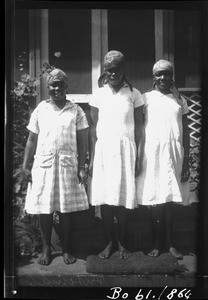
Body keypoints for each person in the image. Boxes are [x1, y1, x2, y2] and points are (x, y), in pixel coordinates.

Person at [22, 68, 89, 265]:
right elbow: (31, 140)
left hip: (68, 166)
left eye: (60, 84)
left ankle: (66, 249)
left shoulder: (76, 110)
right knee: (46, 210)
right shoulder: (40, 109)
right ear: (48, 87)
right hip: (44, 166)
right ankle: (46, 249)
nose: (57, 88)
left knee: (65, 210)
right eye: (53, 85)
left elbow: (83, 141)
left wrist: (82, 166)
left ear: (66, 87)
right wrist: (26, 166)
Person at [136, 59, 194, 260]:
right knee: (155, 200)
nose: (163, 78)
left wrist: (186, 160)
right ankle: (156, 242)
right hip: (152, 155)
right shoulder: (145, 99)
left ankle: (170, 242)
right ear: (153, 78)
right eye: (159, 74)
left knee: (169, 199)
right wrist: (138, 155)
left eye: (167, 74)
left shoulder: (179, 101)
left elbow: (186, 131)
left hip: (173, 155)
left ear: (172, 77)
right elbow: (138, 128)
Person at [89, 50, 144, 259]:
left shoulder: (134, 93)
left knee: (122, 197)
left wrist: (139, 156)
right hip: (104, 151)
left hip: (125, 150)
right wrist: (93, 158)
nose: (114, 73)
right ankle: (109, 242)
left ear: (123, 70)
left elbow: (139, 128)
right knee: (106, 198)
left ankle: (122, 242)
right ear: (105, 71)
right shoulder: (99, 94)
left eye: (118, 69)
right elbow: (94, 131)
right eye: (110, 70)